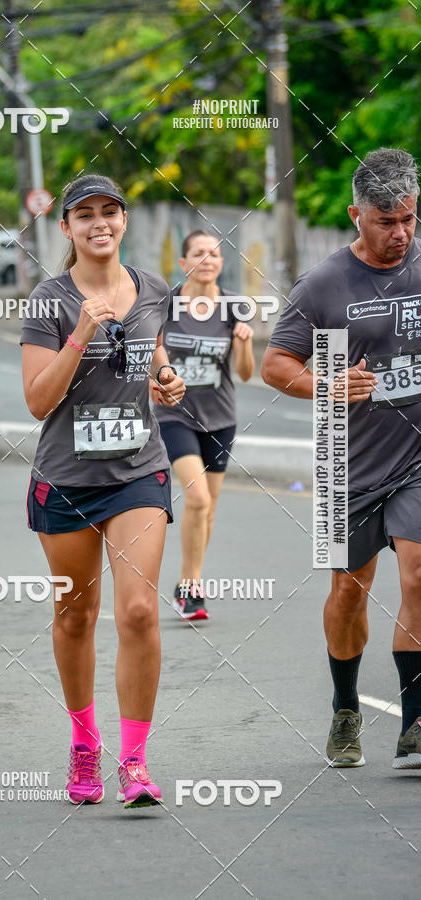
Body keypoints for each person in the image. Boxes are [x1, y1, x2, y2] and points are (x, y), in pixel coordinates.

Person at [21, 174, 185, 808]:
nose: (99, 223)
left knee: (139, 611)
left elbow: (152, 350)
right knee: (75, 617)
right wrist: (81, 334)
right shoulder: (48, 299)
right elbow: (37, 401)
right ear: (66, 228)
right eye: (83, 214)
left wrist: (165, 377)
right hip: (65, 479)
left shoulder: (152, 289)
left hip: (138, 472)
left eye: (109, 212)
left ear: (124, 220)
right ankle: (84, 744)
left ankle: (135, 762)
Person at [261, 148, 421, 769]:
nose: (400, 233)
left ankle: (414, 723)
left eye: (408, 218)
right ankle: (346, 707)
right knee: (349, 592)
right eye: (385, 221)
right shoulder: (324, 285)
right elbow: (276, 365)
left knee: (417, 575)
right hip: (346, 462)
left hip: (414, 460)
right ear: (356, 215)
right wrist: (326, 385)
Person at [154, 231, 254, 620]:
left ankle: (185, 582)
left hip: (220, 419)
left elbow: (245, 374)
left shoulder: (233, 307)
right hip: (174, 415)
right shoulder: (167, 305)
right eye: (199, 254)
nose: (207, 260)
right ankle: (192, 587)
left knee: (208, 510)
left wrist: (243, 342)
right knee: (197, 500)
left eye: (214, 254)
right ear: (183, 264)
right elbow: (149, 350)